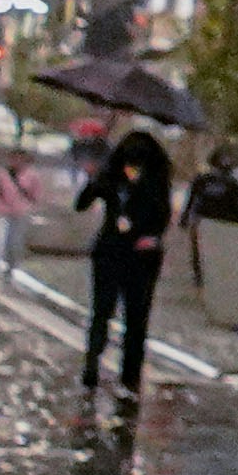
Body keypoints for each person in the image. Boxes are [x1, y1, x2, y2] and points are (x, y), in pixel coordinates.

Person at [73, 122, 184, 401]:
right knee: (121, 317)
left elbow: (161, 217)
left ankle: (116, 373)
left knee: (117, 316)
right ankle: (108, 372)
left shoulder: (150, 181)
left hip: (130, 254)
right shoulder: (116, 178)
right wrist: (95, 181)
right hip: (122, 253)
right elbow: (82, 203)